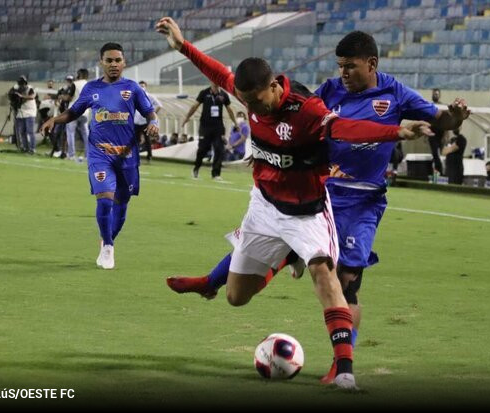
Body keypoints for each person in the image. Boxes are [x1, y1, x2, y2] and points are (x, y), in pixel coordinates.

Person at [164, 29, 470, 384]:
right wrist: (183, 46)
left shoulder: (393, 93)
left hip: (354, 198)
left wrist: (411, 129)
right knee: (241, 290)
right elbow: (222, 74)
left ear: (371, 64)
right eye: (339, 66)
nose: (343, 73)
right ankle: (218, 280)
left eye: (350, 67)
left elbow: (347, 128)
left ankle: (342, 367)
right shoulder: (323, 91)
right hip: (299, 191)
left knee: (342, 278)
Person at [40, 42, 158, 269]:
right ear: (101, 63)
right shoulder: (91, 89)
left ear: (124, 62)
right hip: (99, 153)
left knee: (121, 205)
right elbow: (73, 112)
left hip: (126, 155)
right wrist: (55, 119)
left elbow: (149, 113)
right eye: (109, 60)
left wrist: (153, 123)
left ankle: (107, 239)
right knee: (104, 198)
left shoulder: (132, 88)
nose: (113, 64)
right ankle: (108, 248)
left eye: (117, 60)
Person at [182, 82, 237, 180]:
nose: (215, 83)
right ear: (210, 81)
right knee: (203, 149)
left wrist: (236, 123)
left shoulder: (224, 95)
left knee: (219, 149)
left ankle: (216, 174)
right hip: (205, 126)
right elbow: (195, 106)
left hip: (218, 127)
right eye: (213, 80)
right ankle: (196, 168)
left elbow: (230, 110)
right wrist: (187, 118)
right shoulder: (204, 93)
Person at [134, 80, 163, 163]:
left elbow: (160, 105)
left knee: (147, 139)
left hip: (145, 122)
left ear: (146, 87)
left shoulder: (150, 96)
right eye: (140, 86)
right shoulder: (134, 96)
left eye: (143, 86)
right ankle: (135, 155)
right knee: (135, 140)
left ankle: (149, 156)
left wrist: (153, 116)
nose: (141, 88)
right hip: (136, 121)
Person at [66, 69, 90, 160]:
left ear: (79, 74)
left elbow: (69, 97)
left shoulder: (75, 84)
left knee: (70, 133)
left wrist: (62, 97)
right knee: (86, 134)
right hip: (85, 112)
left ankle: (71, 154)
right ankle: (88, 155)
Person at [13, 75, 37, 154]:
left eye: (23, 83)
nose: (22, 85)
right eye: (20, 83)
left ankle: (32, 148)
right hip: (21, 112)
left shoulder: (30, 88)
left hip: (30, 112)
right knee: (22, 131)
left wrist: (22, 96)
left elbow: (32, 96)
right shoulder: (17, 89)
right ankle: (25, 148)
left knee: (30, 131)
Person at [429, 88, 445, 175]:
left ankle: (439, 170)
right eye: (434, 94)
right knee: (434, 153)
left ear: (439, 95)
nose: (436, 95)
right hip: (431, 132)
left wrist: (445, 135)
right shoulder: (429, 105)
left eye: (437, 94)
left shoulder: (442, 107)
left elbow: (445, 122)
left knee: (437, 154)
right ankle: (438, 169)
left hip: (440, 133)